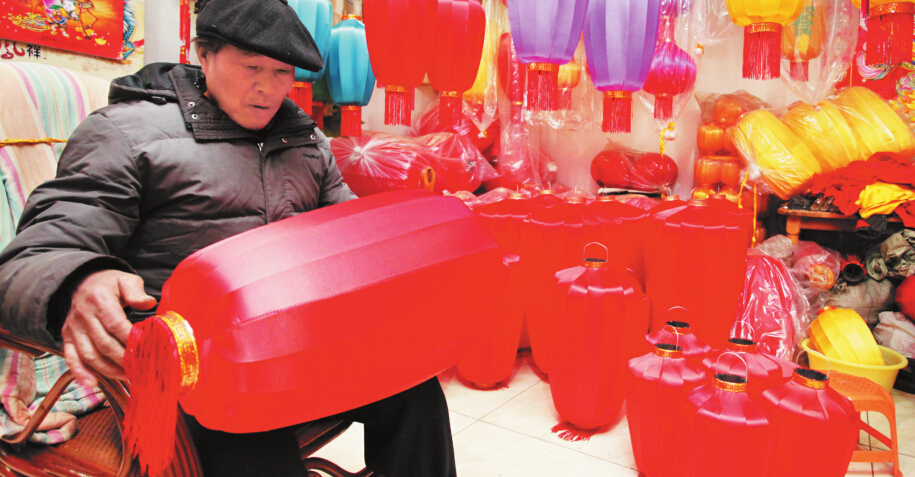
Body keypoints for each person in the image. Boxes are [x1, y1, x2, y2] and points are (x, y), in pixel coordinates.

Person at [0, 0, 457, 475]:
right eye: (251, 67)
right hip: (193, 372)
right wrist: (77, 281)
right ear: (204, 53)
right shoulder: (125, 134)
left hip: (295, 347)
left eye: (282, 72)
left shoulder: (305, 140)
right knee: (252, 442)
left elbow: (348, 233)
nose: (268, 88)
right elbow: (38, 251)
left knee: (416, 390)